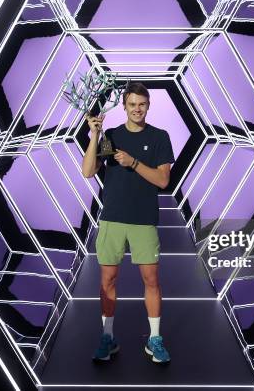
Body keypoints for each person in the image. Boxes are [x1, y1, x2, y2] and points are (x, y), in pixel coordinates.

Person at [82, 82, 175, 364]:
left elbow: (162, 180)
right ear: (124, 105)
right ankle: (108, 338)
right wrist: (94, 134)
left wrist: (133, 162)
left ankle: (155, 340)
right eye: (132, 104)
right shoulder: (110, 136)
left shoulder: (160, 137)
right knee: (107, 280)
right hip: (112, 220)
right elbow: (88, 171)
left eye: (142, 104)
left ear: (148, 106)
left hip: (143, 220)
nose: (137, 109)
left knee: (151, 280)